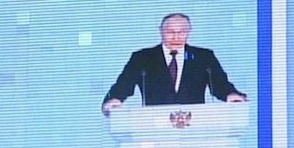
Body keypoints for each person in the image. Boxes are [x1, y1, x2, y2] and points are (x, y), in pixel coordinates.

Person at [101, 13, 247, 112]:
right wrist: (114, 99)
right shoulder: (142, 58)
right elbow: (124, 84)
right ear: (160, 31)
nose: (176, 36)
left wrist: (231, 94)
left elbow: (219, 83)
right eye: (170, 32)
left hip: (195, 123)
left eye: (181, 32)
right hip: (154, 124)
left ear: (189, 31)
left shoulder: (203, 57)